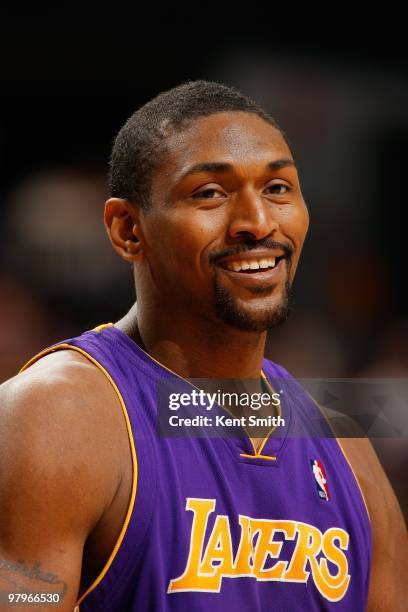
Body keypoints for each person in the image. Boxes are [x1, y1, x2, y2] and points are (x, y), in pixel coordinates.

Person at [0, 81, 406, 612]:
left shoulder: (347, 449)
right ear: (127, 230)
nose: (258, 223)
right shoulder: (55, 416)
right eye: (209, 193)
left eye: (278, 188)